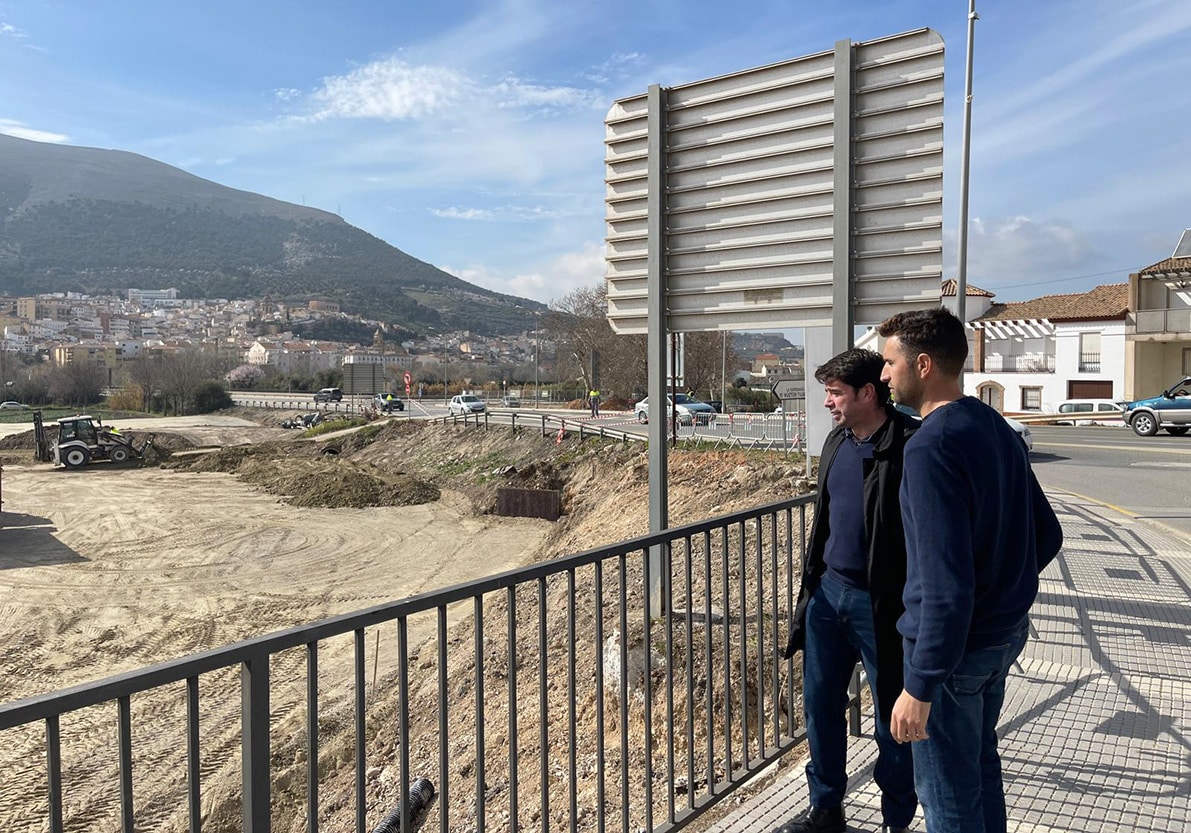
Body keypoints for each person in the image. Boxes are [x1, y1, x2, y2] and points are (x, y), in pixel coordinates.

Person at [876, 308, 1063, 833]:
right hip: (999, 639)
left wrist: (920, 685)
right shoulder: (993, 424)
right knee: (980, 772)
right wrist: (1003, 594)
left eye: (890, 363)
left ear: (925, 364)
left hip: (953, 657)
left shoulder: (930, 447)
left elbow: (942, 585)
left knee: (947, 799)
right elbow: (1047, 534)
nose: (884, 375)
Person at [777, 348, 919, 833]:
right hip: (827, 596)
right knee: (820, 706)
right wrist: (812, 591)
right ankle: (826, 809)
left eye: (835, 393)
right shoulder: (837, 442)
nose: (827, 403)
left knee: (891, 723)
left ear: (867, 392)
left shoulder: (910, 445)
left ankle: (896, 820)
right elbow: (825, 522)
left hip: (883, 607)